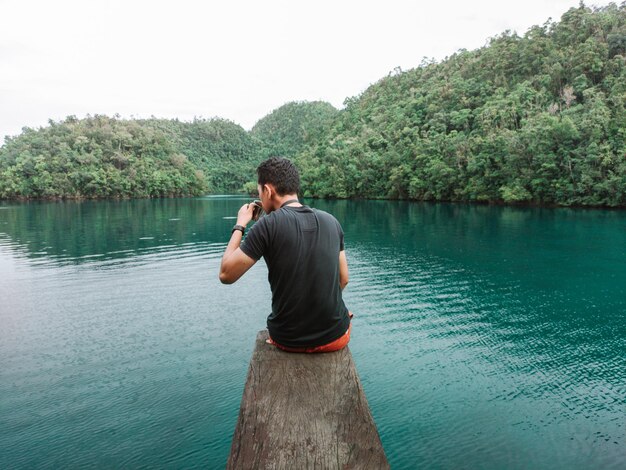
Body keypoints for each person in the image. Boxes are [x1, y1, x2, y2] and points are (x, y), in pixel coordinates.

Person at [219, 156, 352, 353]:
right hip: (336, 336)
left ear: (268, 190)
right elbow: (344, 279)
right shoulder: (332, 221)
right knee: (342, 313)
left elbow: (226, 274)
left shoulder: (267, 226)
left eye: (260, 193)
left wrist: (240, 224)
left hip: (288, 340)